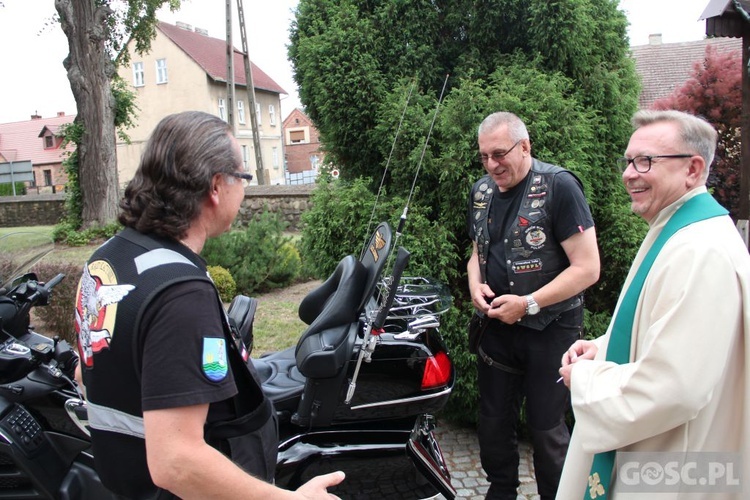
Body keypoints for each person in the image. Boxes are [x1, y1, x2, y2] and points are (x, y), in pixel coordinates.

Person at [74, 111, 344, 499]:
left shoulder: (106, 260)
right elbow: (176, 462)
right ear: (217, 186)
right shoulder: (180, 292)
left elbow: (89, 372)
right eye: (243, 178)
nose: (245, 189)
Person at [557, 110, 750, 499]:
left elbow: (675, 388)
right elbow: (666, 330)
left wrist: (586, 380)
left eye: (645, 161)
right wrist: (605, 346)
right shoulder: (678, 228)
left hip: (672, 466)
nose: (629, 173)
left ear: (693, 169)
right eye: (628, 161)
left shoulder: (701, 251)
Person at [467, 111, 600, 499]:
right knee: (491, 424)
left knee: (546, 429)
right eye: (484, 157)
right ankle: (501, 491)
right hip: (497, 329)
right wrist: (475, 282)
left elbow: (588, 268)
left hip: (552, 330)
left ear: (525, 147)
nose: (492, 165)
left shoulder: (560, 187)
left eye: (500, 154)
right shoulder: (481, 192)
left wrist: (527, 304)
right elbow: (477, 250)